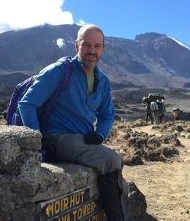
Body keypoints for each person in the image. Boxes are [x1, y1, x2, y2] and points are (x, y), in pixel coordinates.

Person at [18, 24, 131, 221]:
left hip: (83, 139)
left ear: (103, 49)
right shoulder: (59, 72)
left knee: (115, 170)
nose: (91, 50)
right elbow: (27, 104)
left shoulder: (102, 80)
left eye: (97, 46)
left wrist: (100, 134)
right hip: (56, 138)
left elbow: (107, 115)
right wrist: (37, 140)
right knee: (111, 160)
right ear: (76, 45)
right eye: (86, 44)